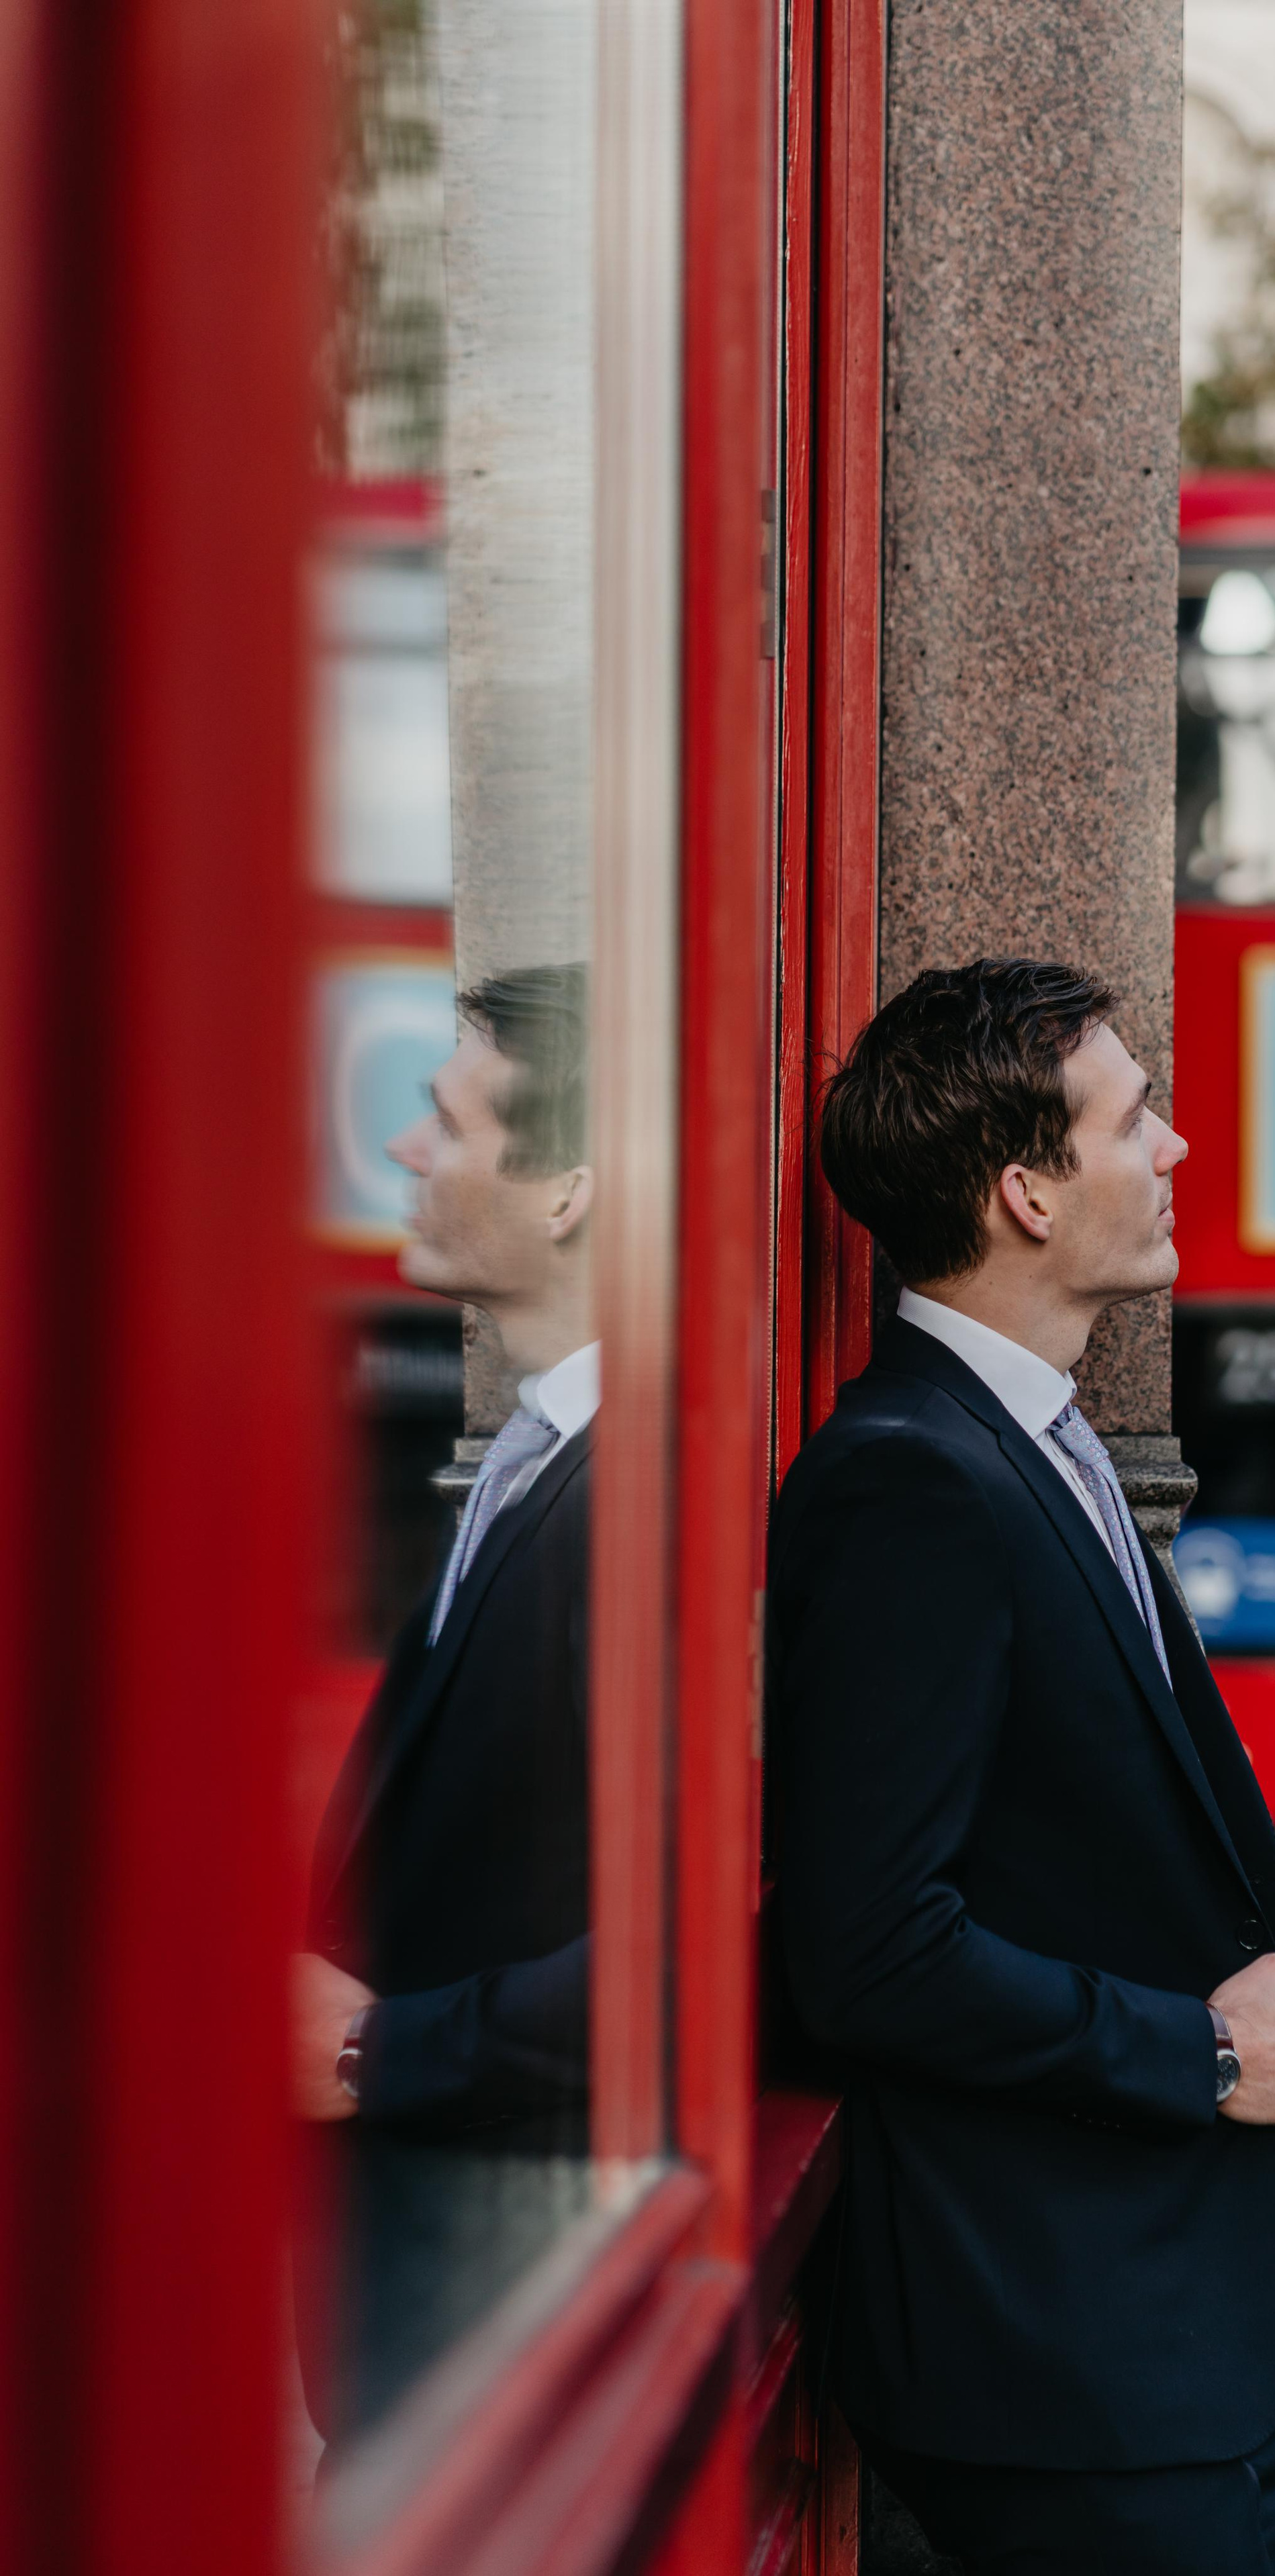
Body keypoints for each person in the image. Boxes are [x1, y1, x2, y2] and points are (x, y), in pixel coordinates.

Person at [769, 958, 1275, 2575]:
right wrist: (1205, 2051)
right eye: (1132, 1115)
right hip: (1057, 2350)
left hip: (1153, 2334)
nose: (1171, 1148)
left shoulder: (1026, 1445)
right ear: (1024, 1190)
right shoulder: (912, 1485)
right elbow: (867, 1948)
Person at [293, 963, 596, 2442]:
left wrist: (371, 2047)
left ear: (565, 1192)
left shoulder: (643, 1489)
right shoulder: (545, 1449)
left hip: (518, 2281)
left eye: (445, 1119)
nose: (407, 1151)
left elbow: (717, 1927)